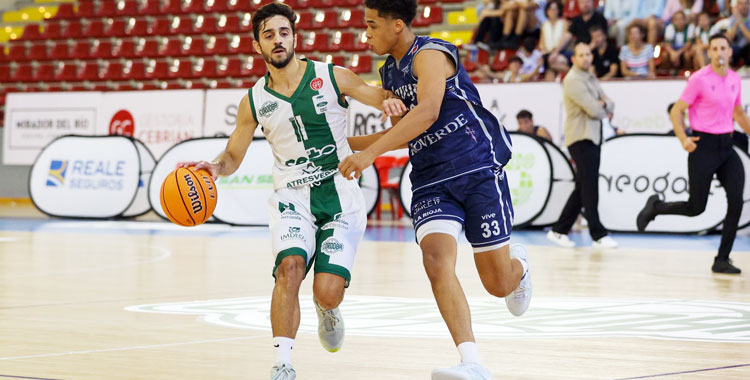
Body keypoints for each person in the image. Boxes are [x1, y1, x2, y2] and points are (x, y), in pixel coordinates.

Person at [176, 3, 407, 379]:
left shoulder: (332, 76)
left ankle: (327, 306)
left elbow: (373, 94)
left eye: (284, 32)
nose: (278, 40)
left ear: (295, 37)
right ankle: (282, 364)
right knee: (289, 267)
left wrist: (389, 100)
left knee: (327, 290)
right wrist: (215, 168)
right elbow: (234, 154)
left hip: (341, 194)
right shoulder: (253, 101)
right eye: (269, 35)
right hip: (291, 197)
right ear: (257, 47)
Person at [339, 0, 533, 378]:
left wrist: (368, 156)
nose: (366, 33)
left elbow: (426, 112)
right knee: (435, 262)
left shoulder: (428, 54)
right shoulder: (389, 72)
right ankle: (472, 363)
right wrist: (347, 147)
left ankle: (519, 267)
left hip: (475, 164)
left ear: (397, 25)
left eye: (372, 25)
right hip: (430, 179)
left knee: (497, 284)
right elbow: (405, 132)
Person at [637, 34, 750, 274]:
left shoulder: (734, 79)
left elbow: (739, 113)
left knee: (736, 201)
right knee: (696, 207)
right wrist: (683, 138)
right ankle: (656, 207)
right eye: (715, 48)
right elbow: (677, 112)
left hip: (727, 146)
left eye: (723, 48)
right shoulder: (699, 79)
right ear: (709, 53)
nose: (719, 52)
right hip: (703, 147)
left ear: (730, 52)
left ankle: (722, 259)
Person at [546, 42, 619, 249]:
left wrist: (603, 104)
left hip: (592, 136)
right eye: (581, 55)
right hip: (580, 137)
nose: (586, 58)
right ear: (573, 58)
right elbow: (595, 110)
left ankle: (559, 230)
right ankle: (598, 234)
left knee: (583, 186)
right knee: (590, 185)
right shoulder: (573, 80)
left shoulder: (591, 77)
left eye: (588, 54)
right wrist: (603, 104)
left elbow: (608, 103)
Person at [539, 0, 573, 81]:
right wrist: (546, 51)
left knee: (558, 60)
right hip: (548, 53)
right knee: (547, 63)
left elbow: (566, 39)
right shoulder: (544, 24)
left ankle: (570, 75)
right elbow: (541, 43)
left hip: (561, 51)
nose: (552, 11)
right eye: (550, 9)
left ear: (559, 10)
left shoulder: (563, 22)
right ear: (547, 11)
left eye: (555, 9)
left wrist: (555, 52)